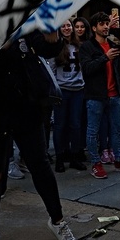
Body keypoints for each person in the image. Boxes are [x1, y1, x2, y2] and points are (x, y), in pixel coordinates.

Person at [0, 30, 77, 240]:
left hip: (26, 105)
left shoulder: (24, 18)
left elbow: (47, 48)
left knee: (39, 164)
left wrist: (51, 37)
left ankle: (58, 221)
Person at [79, 12, 120, 179]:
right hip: (96, 95)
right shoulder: (87, 47)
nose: (105, 27)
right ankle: (96, 163)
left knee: (118, 129)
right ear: (94, 28)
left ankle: (119, 159)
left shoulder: (113, 42)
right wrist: (105, 58)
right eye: (102, 24)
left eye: (107, 23)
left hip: (115, 94)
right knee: (93, 131)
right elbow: (87, 69)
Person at [49, 19, 86, 172]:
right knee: (60, 125)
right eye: (63, 25)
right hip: (62, 90)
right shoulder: (56, 47)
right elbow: (50, 68)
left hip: (78, 90)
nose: (66, 28)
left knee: (76, 125)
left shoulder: (79, 46)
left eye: (68, 25)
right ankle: (60, 157)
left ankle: (75, 156)